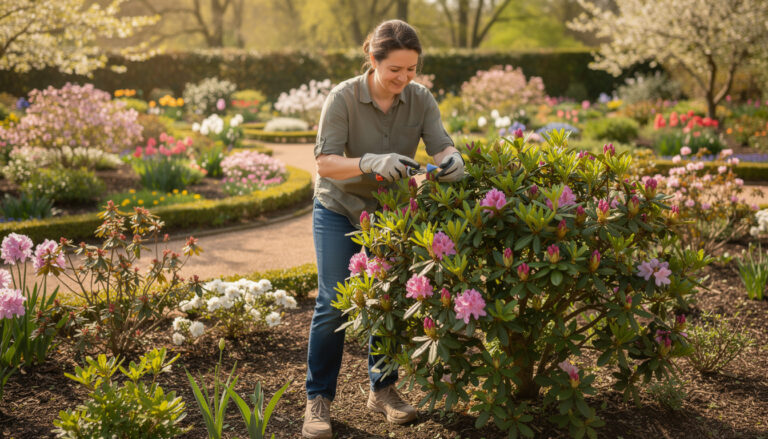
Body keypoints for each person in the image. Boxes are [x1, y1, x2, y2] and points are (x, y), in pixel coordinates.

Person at [303, 19, 464, 439]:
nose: (404, 78)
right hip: (339, 207)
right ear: (373, 60)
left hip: (391, 214)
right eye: (395, 69)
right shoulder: (343, 98)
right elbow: (324, 163)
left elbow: (441, 145)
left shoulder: (420, 98)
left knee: (389, 300)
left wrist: (452, 159)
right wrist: (369, 161)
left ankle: (383, 389)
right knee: (333, 302)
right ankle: (318, 399)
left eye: (411, 69)